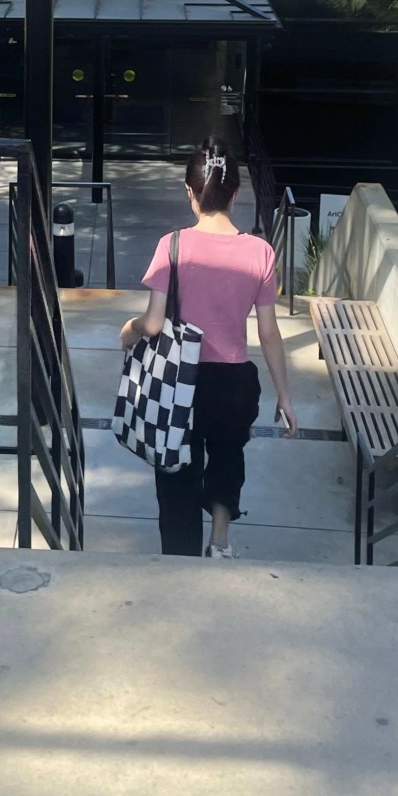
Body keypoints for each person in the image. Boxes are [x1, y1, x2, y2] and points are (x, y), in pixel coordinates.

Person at [119, 141, 297, 559]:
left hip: (181, 380)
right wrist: (284, 395)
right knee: (227, 459)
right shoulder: (260, 252)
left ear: (190, 193)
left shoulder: (172, 246)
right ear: (236, 192)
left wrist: (129, 329)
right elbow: (268, 332)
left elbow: (153, 323)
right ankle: (219, 544)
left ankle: (180, 559)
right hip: (233, 383)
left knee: (176, 471)